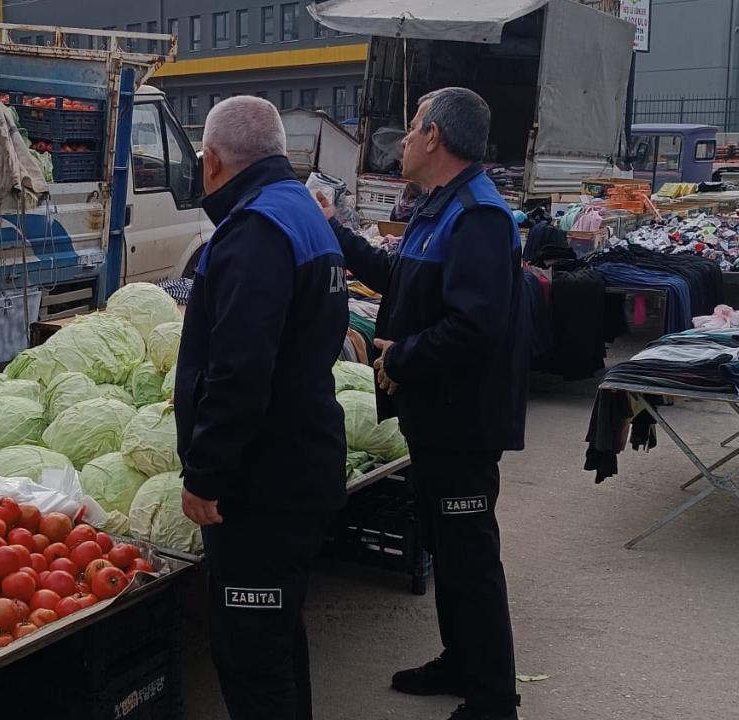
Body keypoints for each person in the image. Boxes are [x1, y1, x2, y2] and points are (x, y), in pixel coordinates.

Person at [319, 87, 528, 720]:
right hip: (433, 416)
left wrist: (399, 357)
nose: (404, 140)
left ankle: (494, 697)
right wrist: (333, 230)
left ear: (435, 136)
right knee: (445, 541)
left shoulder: (480, 217)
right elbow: (398, 280)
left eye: (412, 128)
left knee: (470, 555)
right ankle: (459, 659)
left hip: (463, 420)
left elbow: (476, 327)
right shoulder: (438, 208)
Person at [173, 96, 349, 720]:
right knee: (275, 634)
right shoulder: (300, 210)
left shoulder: (254, 230)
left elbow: (239, 372)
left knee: (250, 655)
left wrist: (205, 474)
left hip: (263, 480)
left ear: (213, 161)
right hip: (302, 458)